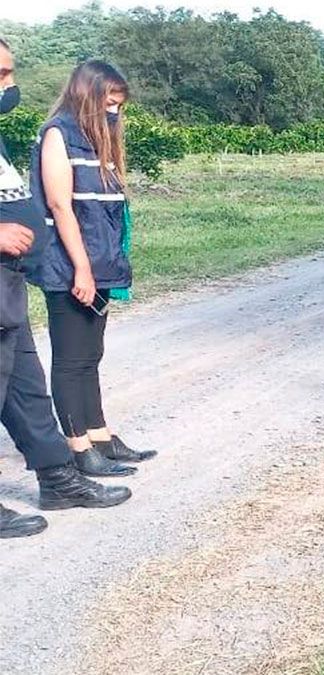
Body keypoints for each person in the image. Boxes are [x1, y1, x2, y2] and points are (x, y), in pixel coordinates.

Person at [0, 38, 131, 538]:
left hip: (10, 283)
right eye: (2, 73)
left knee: (27, 390)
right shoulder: (58, 133)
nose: (11, 85)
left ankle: (58, 479)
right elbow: (58, 204)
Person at [28, 60, 157, 476]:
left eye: (119, 105)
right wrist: (81, 269)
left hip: (100, 266)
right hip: (69, 267)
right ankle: (78, 448)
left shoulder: (94, 139)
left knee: (91, 354)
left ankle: (100, 435)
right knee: (70, 358)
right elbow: (60, 205)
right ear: (87, 96)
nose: (115, 112)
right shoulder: (57, 135)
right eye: (109, 102)